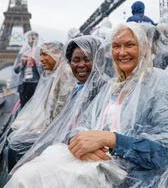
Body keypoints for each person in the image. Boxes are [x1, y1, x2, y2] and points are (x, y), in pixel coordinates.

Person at [5, 23, 168, 188]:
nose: (122, 52)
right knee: (26, 175)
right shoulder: (112, 87)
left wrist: (111, 140)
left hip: (129, 177)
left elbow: (166, 151)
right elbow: (81, 126)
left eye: (129, 45)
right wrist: (79, 143)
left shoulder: (160, 82)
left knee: (29, 180)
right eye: (116, 46)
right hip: (92, 164)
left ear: (144, 48)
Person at [10, 35, 106, 173]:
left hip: (73, 143)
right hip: (67, 139)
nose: (81, 65)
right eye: (76, 60)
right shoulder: (80, 85)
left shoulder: (93, 87)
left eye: (87, 59)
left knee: (17, 147)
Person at [7, 41, 76, 170]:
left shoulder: (65, 73)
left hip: (57, 134)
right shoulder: (54, 73)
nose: (41, 59)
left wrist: (42, 130)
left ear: (56, 55)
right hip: (52, 129)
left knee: (15, 145)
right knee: (14, 136)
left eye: (45, 55)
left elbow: (60, 112)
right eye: (40, 55)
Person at [10, 31, 42, 107]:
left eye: (35, 36)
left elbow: (45, 70)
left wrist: (36, 62)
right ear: (27, 38)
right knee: (24, 106)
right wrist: (22, 64)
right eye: (31, 36)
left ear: (38, 39)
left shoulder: (41, 52)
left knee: (34, 107)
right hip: (23, 84)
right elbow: (16, 70)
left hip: (36, 84)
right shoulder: (22, 53)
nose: (33, 38)